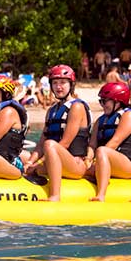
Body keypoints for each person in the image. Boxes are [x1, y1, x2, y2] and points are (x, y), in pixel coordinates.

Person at [24, 65, 92, 201]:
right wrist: (30, 162)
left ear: (71, 85)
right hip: (53, 162)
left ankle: (55, 196)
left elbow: (64, 143)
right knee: (22, 156)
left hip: (75, 165)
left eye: (63, 82)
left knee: (50, 144)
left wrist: (39, 163)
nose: (58, 87)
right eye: (55, 83)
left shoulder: (76, 107)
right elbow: (42, 141)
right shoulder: (52, 110)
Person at [86, 82, 131, 202]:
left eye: (105, 101)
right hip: (105, 162)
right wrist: (87, 160)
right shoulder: (100, 121)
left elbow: (115, 142)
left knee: (103, 150)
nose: (102, 105)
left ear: (118, 101)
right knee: (79, 164)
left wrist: (95, 163)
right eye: (101, 101)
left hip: (129, 166)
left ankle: (101, 195)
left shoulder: (129, 116)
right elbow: (92, 145)